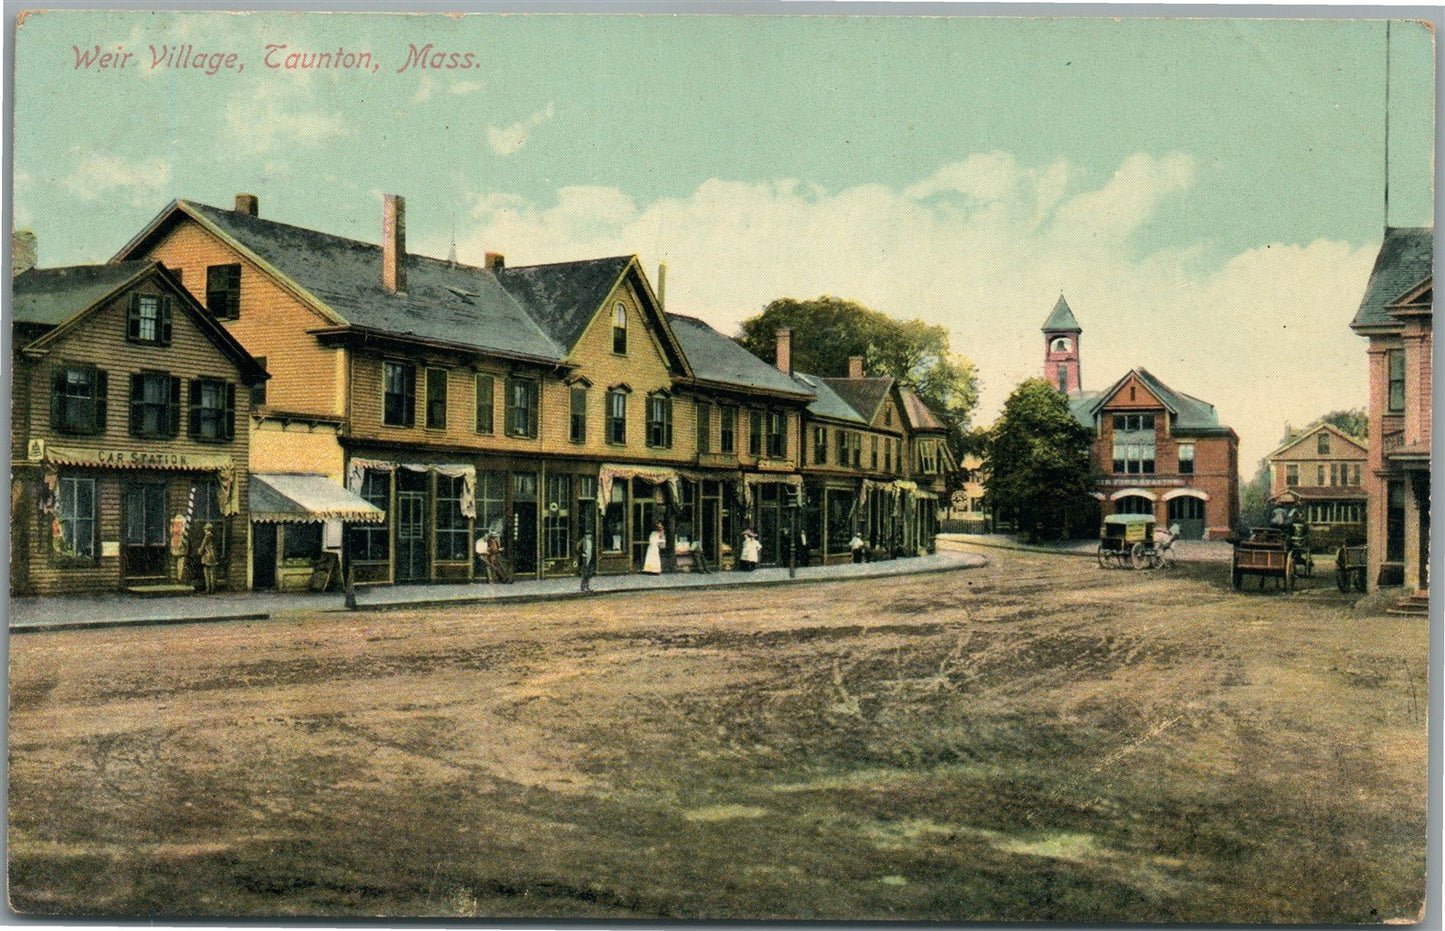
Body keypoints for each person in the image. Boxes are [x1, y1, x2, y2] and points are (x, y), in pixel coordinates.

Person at [198, 523, 219, 594]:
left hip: (207, 555)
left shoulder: (207, 536)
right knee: (212, 573)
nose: (204, 530)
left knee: (206, 573)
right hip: (213, 556)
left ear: (207, 529)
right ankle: (213, 589)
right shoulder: (213, 536)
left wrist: (200, 552)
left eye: (205, 529)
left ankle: (208, 589)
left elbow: (203, 545)